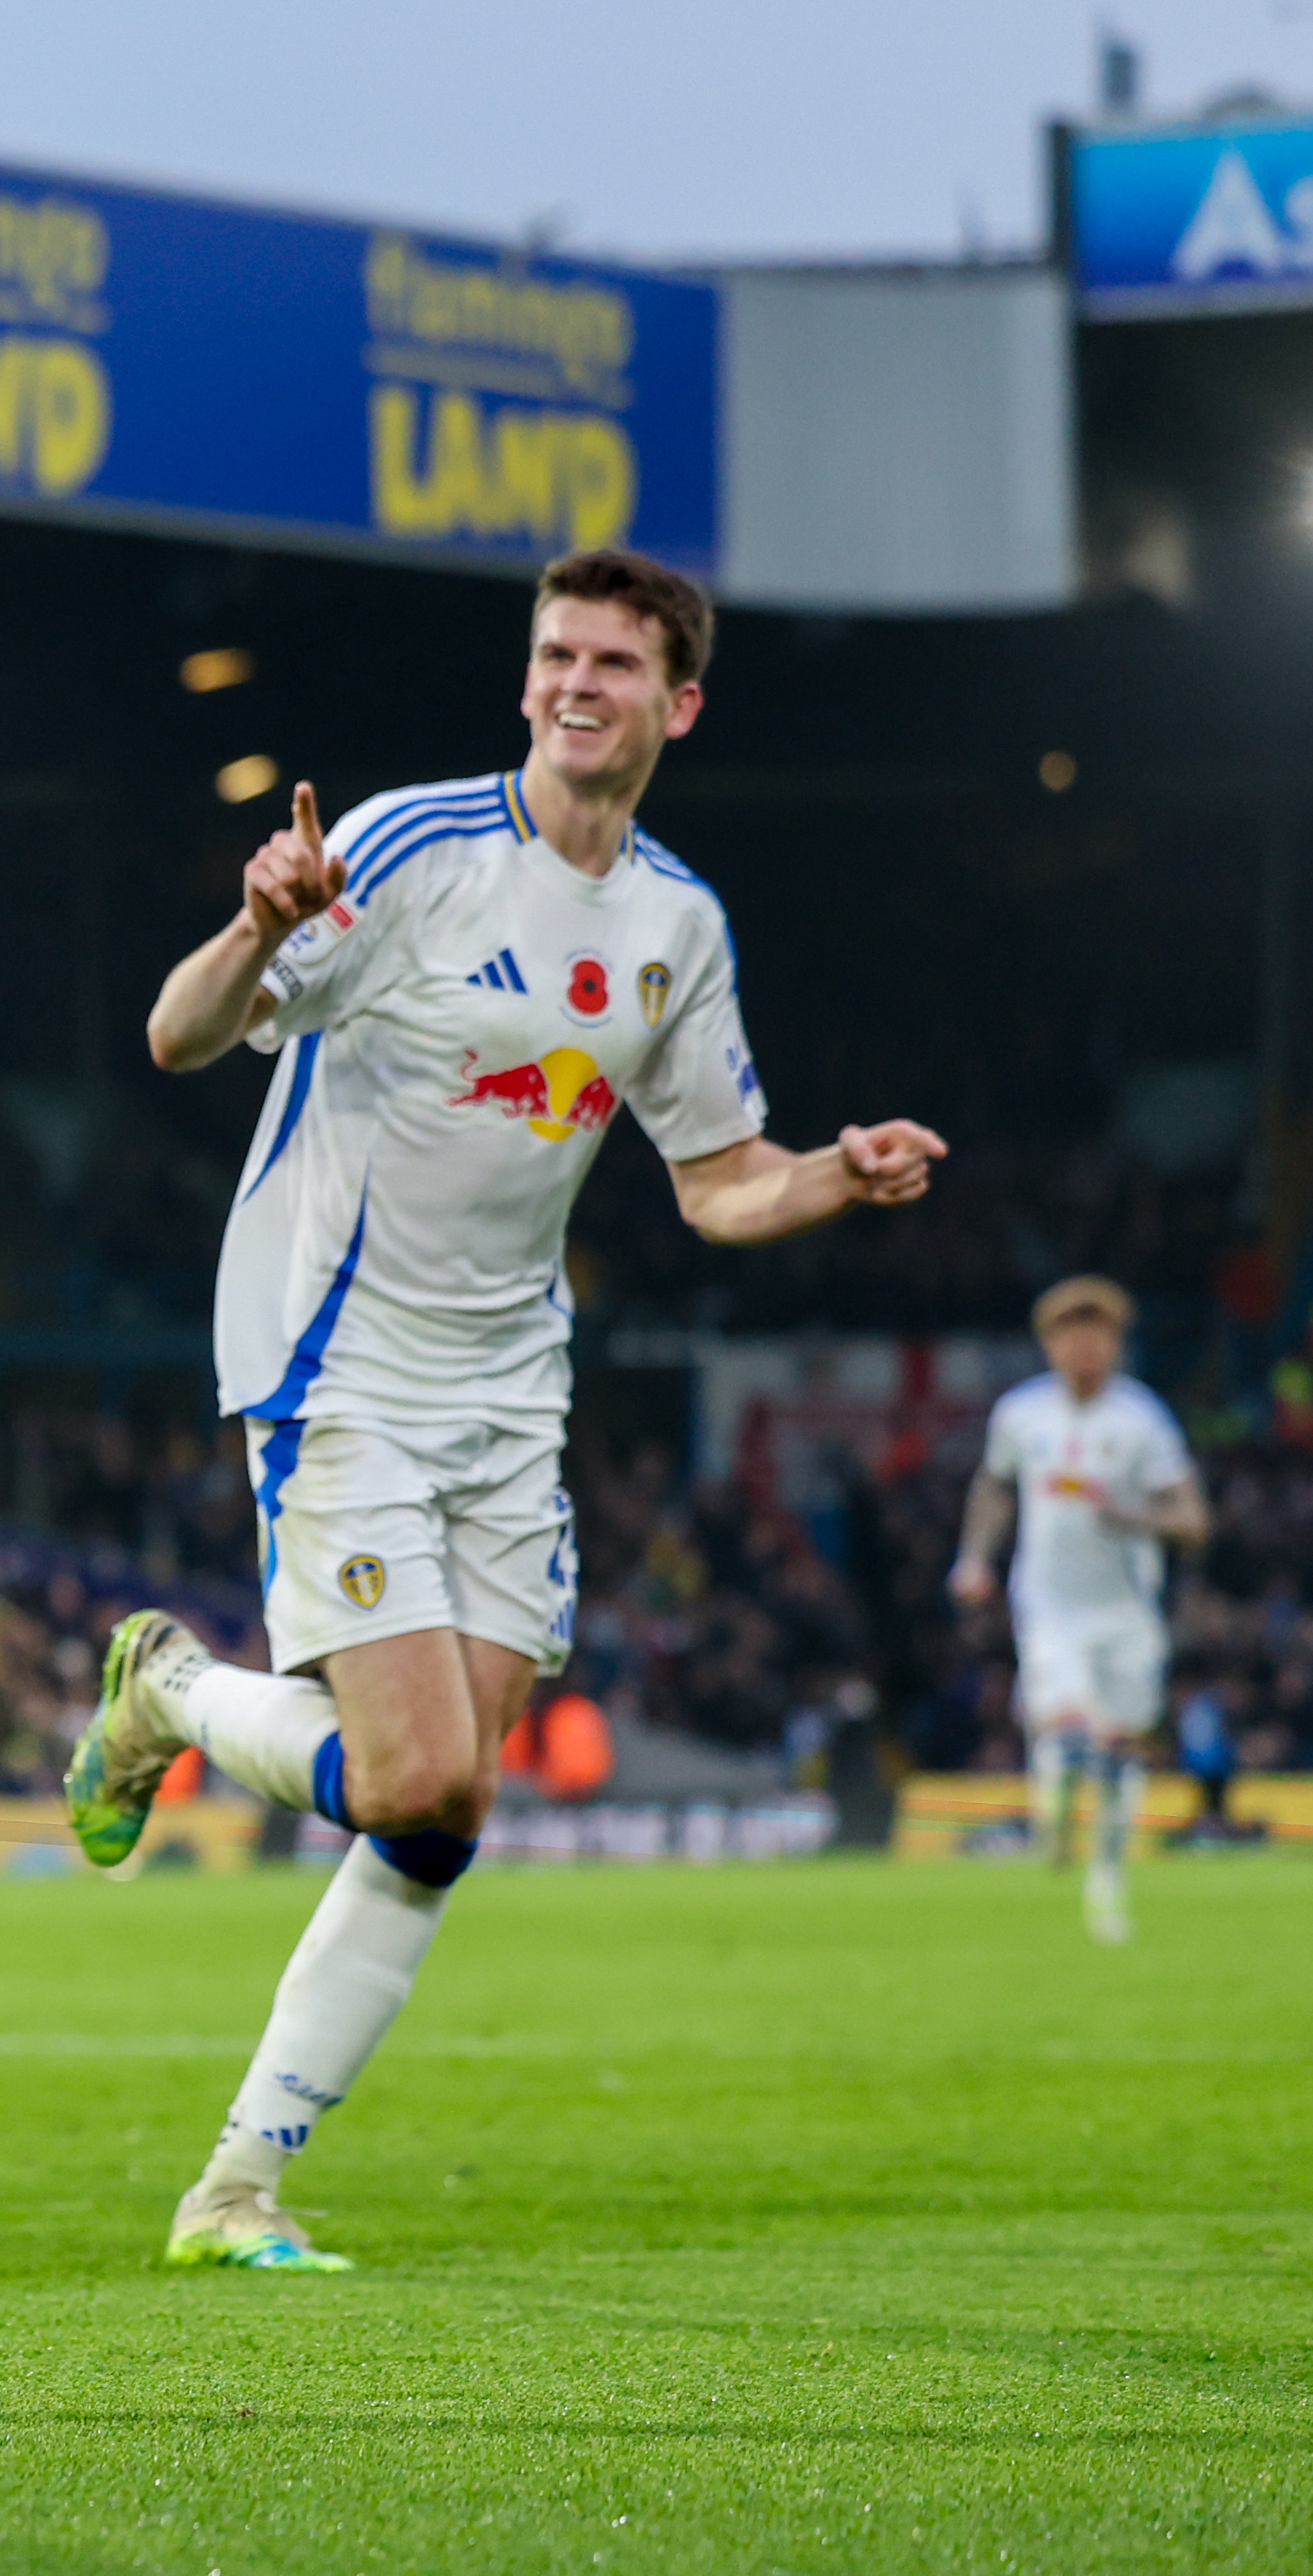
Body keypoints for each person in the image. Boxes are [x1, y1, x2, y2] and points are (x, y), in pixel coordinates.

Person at [73, 548, 948, 2270]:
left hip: (504, 1386)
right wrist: (255, 923)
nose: (574, 682)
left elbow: (716, 1185)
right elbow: (180, 1039)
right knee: (409, 1773)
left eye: (613, 662)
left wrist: (832, 1178)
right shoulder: (405, 848)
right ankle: (166, 1692)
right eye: (555, 652)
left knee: (446, 1814)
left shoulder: (672, 928)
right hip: (334, 1358)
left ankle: (232, 2189)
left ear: (674, 702)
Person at [951, 1275, 1201, 1944]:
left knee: (1118, 1750)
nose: (1084, 1347)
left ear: (1115, 1344)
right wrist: (973, 1557)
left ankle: (1105, 1883)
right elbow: (995, 1488)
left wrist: (1133, 1515)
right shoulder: (1021, 1415)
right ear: (1050, 1344)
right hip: (1049, 1607)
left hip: (1125, 1613)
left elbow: (1191, 1518)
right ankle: (1056, 1825)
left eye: (1099, 1335)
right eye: (1071, 1335)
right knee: (1065, 1730)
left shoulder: (1140, 1419)